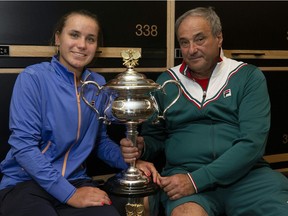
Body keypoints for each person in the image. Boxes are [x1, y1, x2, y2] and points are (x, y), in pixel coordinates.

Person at [120, 6, 288, 216]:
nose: (191, 49)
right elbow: (156, 138)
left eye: (199, 39)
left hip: (246, 177)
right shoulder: (166, 83)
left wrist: (196, 181)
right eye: (184, 42)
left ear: (219, 38)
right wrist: (141, 147)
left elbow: (252, 144)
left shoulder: (248, 77)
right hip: (184, 175)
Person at [0, 9, 129, 216]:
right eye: (74, 35)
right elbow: (23, 147)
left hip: (76, 180)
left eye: (90, 39)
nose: (82, 45)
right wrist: (69, 194)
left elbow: (99, 141)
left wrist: (131, 163)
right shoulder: (33, 78)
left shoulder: (98, 84)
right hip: (26, 183)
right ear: (58, 38)